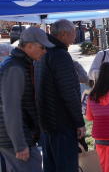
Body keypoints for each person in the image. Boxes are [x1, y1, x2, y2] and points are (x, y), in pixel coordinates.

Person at [0, 27, 54, 172]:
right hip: (15, 141)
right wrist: (20, 144)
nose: (45, 51)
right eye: (42, 47)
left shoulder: (21, 64)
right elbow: (11, 109)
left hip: (18, 138)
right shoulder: (15, 68)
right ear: (29, 46)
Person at [35, 19, 86, 172]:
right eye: (73, 32)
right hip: (61, 124)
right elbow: (69, 91)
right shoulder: (59, 55)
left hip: (47, 124)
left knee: (51, 167)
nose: (75, 35)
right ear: (63, 34)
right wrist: (79, 122)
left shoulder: (43, 52)